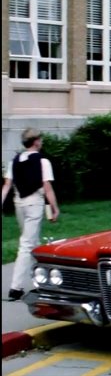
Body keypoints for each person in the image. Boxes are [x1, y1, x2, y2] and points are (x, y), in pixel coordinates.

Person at [2, 129, 60, 301]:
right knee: (27, 244)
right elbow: (47, 187)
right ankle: (16, 287)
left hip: (19, 203)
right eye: (40, 139)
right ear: (35, 141)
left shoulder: (14, 161)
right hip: (34, 203)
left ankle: (43, 279)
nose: (41, 142)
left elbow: (7, 185)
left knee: (32, 242)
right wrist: (54, 207)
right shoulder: (43, 161)